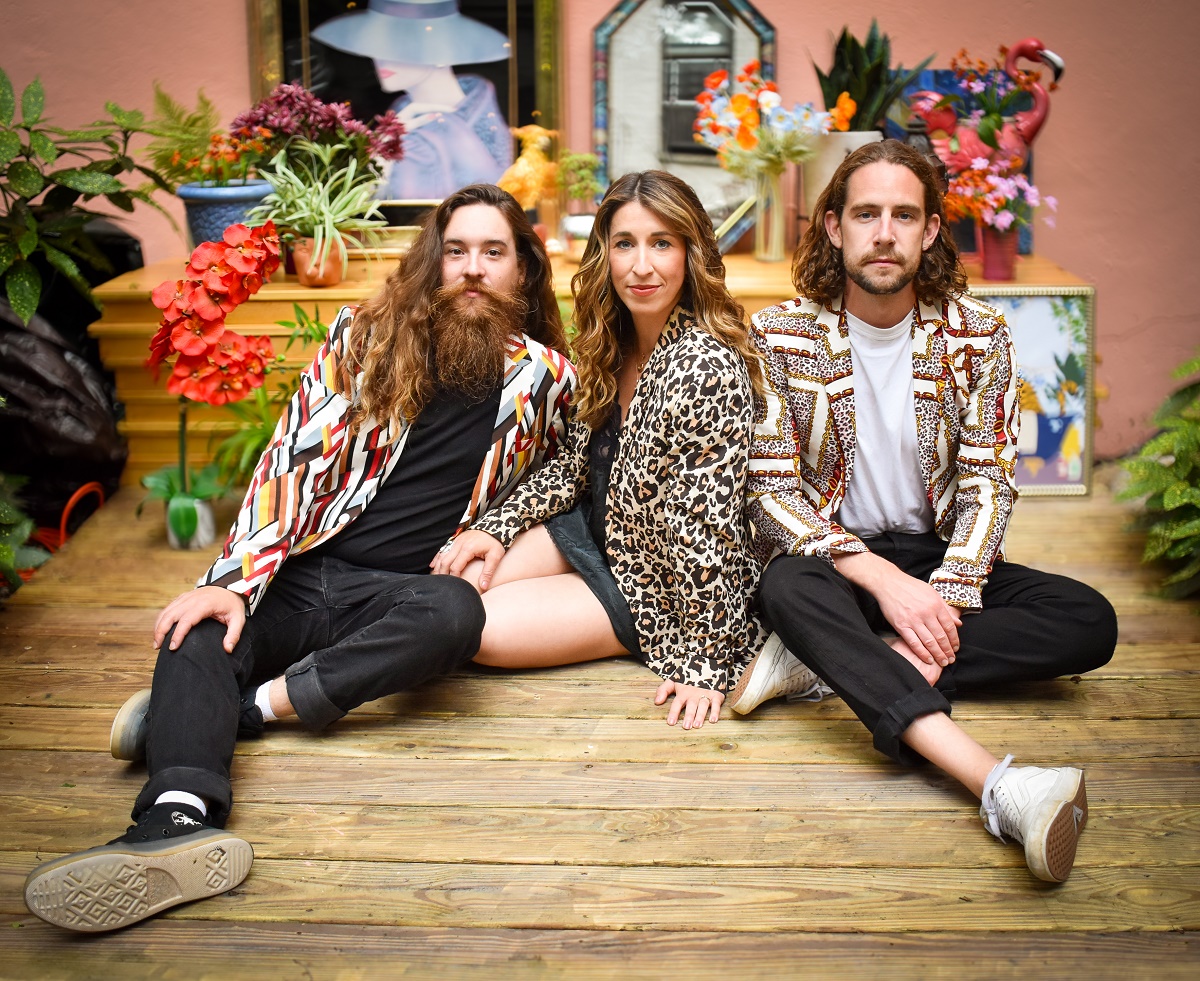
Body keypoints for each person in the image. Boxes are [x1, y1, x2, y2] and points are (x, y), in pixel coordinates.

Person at [23, 184, 575, 932]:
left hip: (398, 596)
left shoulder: (546, 378)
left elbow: (562, 473)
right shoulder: (366, 337)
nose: (473, 268)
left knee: (457, 612)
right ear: (434, 263)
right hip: (304, 570)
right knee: (199, 625)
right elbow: (292, 461)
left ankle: (236, 712)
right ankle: (173, 822)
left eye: (493, 252)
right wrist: (234, 581)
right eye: (456, 251)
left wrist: (499, 530)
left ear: (522, 271)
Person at [732, 140, 1117, 883]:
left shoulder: (979, 336)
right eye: (866, 213)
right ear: (834, 227)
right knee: (785, 587)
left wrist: (943, 593)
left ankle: (827, 661)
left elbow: (988, 483)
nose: (884, 232)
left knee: (1088, 619)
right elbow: (770, 489)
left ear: (931, 231)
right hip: (839, 561)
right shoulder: (782, 334)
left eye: (903, 215)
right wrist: (878, 579)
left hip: (936, 555)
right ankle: (1003, 787)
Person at [436, 169, 784, 728]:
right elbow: (571, 467)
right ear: (605, 254)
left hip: (660, 585)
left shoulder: (703, 366)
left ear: (691, 255)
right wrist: (494, 528)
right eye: (625, 244)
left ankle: (770, 658)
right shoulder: (610, 342)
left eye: (662, 243)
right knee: (455, 589)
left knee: (477, 627)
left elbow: (707, 529)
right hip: (597, 531)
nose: (641, 266)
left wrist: (705, 664)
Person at [311, 0, 513, 199]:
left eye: (400, 44)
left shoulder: (471, 128)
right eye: (376, 43)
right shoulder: (403, 117)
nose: (380, 57)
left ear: (442, 48)